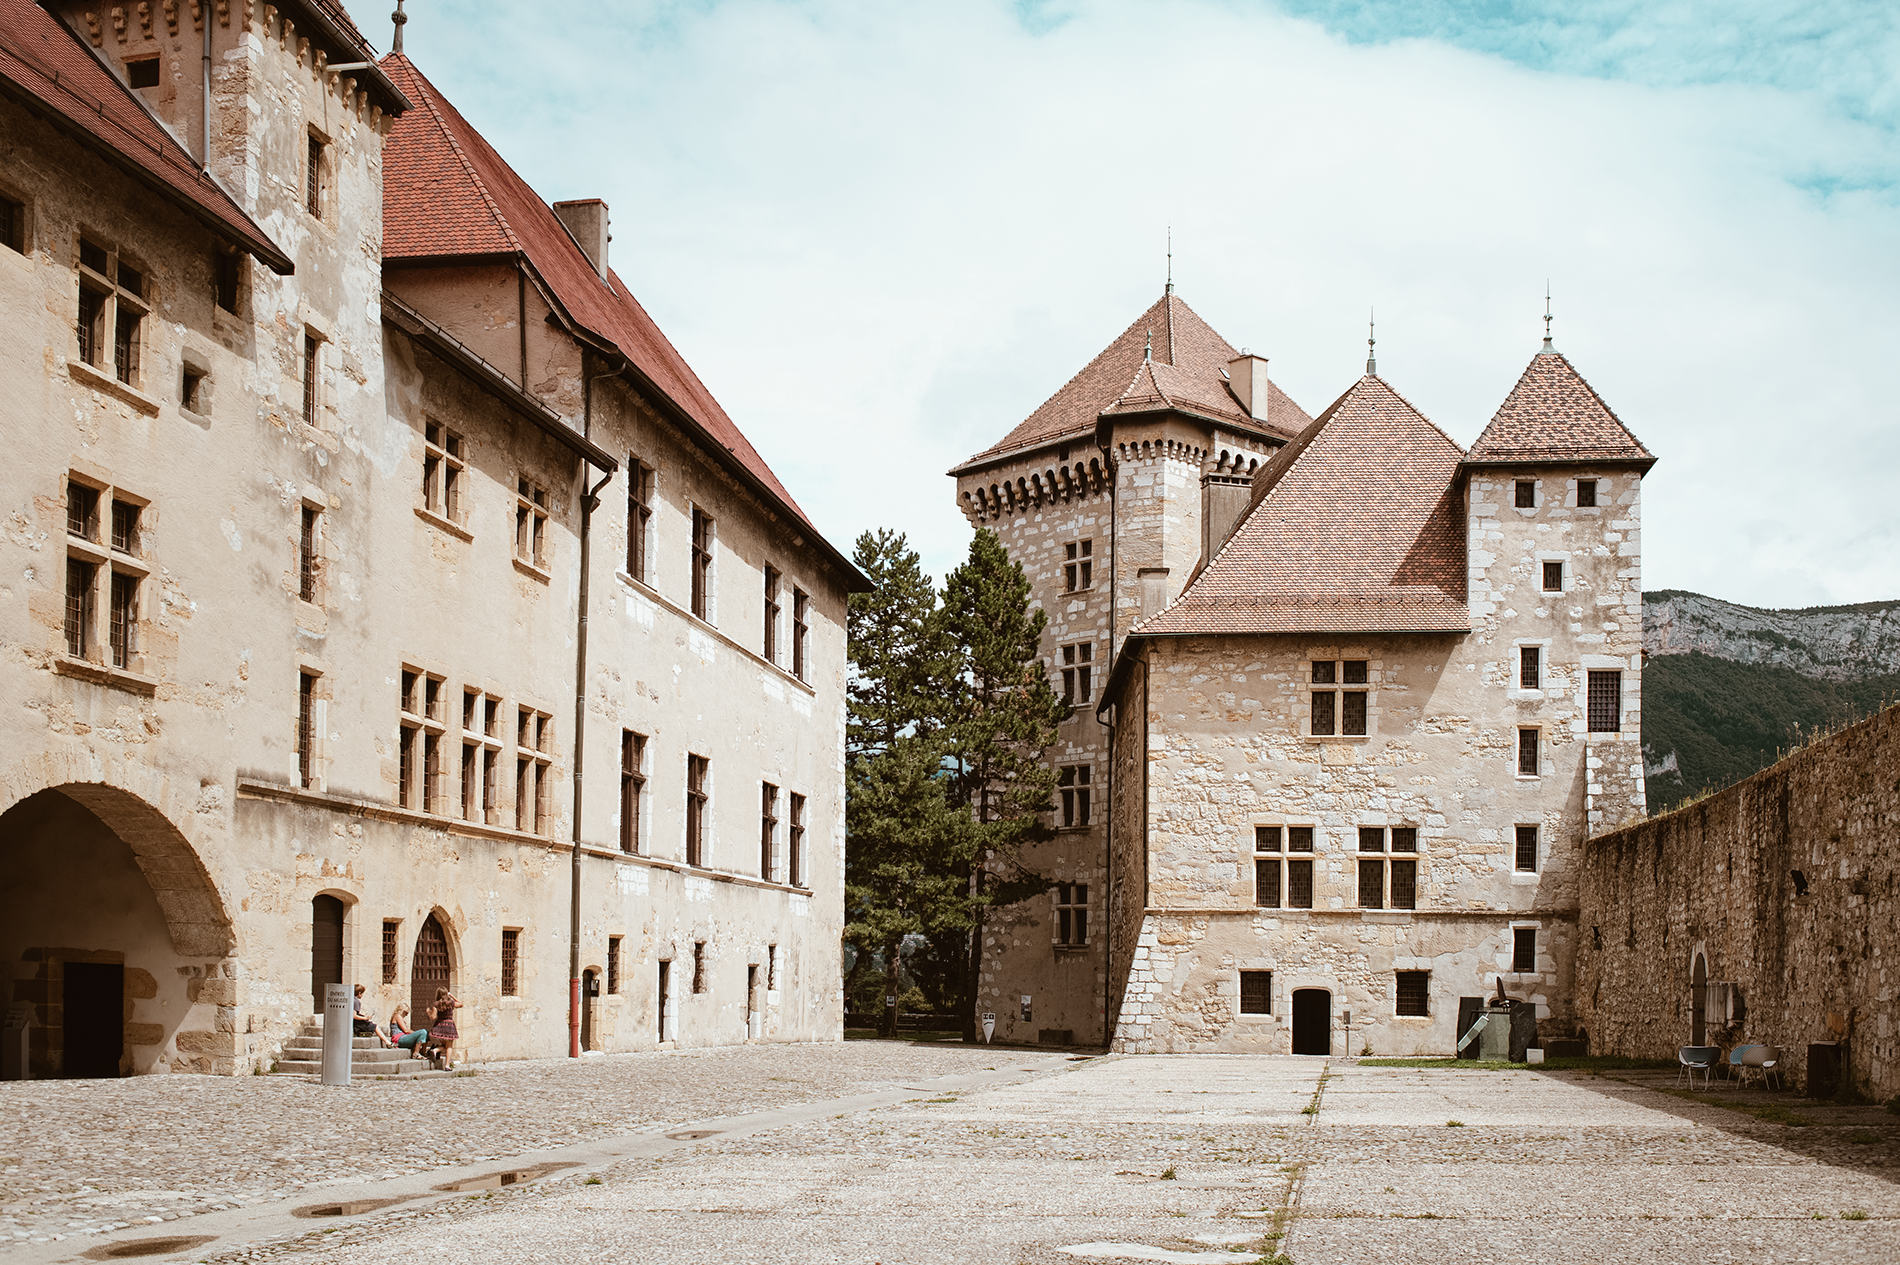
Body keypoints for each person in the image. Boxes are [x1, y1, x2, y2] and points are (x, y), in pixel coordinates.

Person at [430, 987, 461, 1069]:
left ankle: (435, 1050)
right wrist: (452, 996)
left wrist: (429, 1012)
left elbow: (433, 1017)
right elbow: (461, 1004)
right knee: (449, 1046)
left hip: (439, 1025)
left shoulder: (436, 1004)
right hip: (449, 1026)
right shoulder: (451, 1003)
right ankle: (447, 1065)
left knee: (445, 1045)